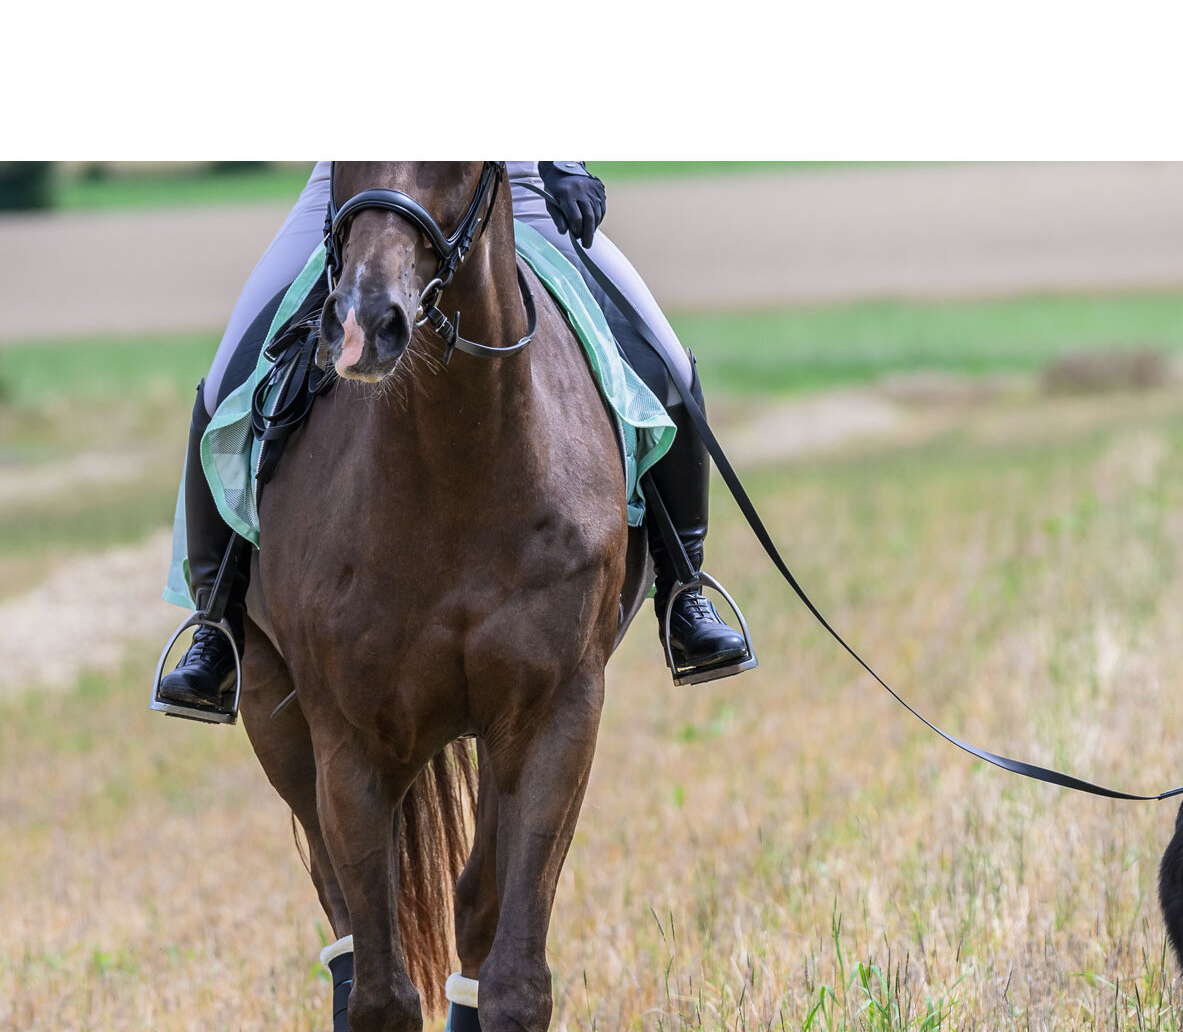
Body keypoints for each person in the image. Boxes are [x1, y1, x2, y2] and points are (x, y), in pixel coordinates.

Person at [157, 161, 754, 712]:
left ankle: (684, 589)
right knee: (225, 385)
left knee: (666, 361)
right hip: (368, 181)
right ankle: (216, 620)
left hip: (508, 174)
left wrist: (563, 161)